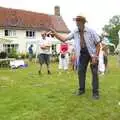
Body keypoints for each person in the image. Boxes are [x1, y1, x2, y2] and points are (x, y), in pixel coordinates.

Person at [50, 15, 101, 99]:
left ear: (83, 22)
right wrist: (55, 33)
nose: (77, 23)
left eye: (79, 21)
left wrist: (95, 56)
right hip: (82, 54)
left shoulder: (91, 31)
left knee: (94, 73)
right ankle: (81, 90)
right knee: (80, 71)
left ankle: (95, 93)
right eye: (76, 21)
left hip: (92, 53)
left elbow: (98, 44)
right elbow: (64, 39)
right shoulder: (75, 31)